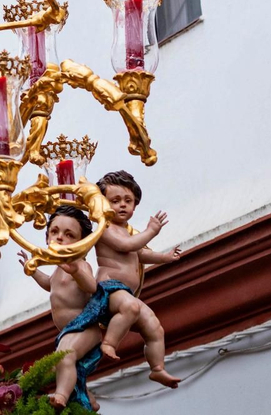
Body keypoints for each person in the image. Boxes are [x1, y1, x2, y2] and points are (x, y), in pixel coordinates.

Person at [93, 170, 182, 387]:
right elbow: (126, 246)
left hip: (127, 294)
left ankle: (157, 368)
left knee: (154, 326)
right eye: (115, 201)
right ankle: (109, 343)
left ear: (135, 205)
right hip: (109, 288)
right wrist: (151, 231)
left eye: (128, 201)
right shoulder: (104, 227)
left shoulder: (128, 231)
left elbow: (140, 252)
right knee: (131, 307)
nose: (122, 205)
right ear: (102, 204)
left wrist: (165, 257)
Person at [20, 206, 102, 411]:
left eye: (69, 234)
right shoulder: (58, 269)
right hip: (69, 331)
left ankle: (61, 396)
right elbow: (50, 284)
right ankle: (88, 399)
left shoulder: (80, 265)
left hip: (86, 328)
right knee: (66, 364)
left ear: (83, 243)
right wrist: (33, 272)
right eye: (54, 232)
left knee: (64, 356)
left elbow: (91, 286)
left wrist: (76, 272)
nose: (59, 237)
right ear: (47, 237)